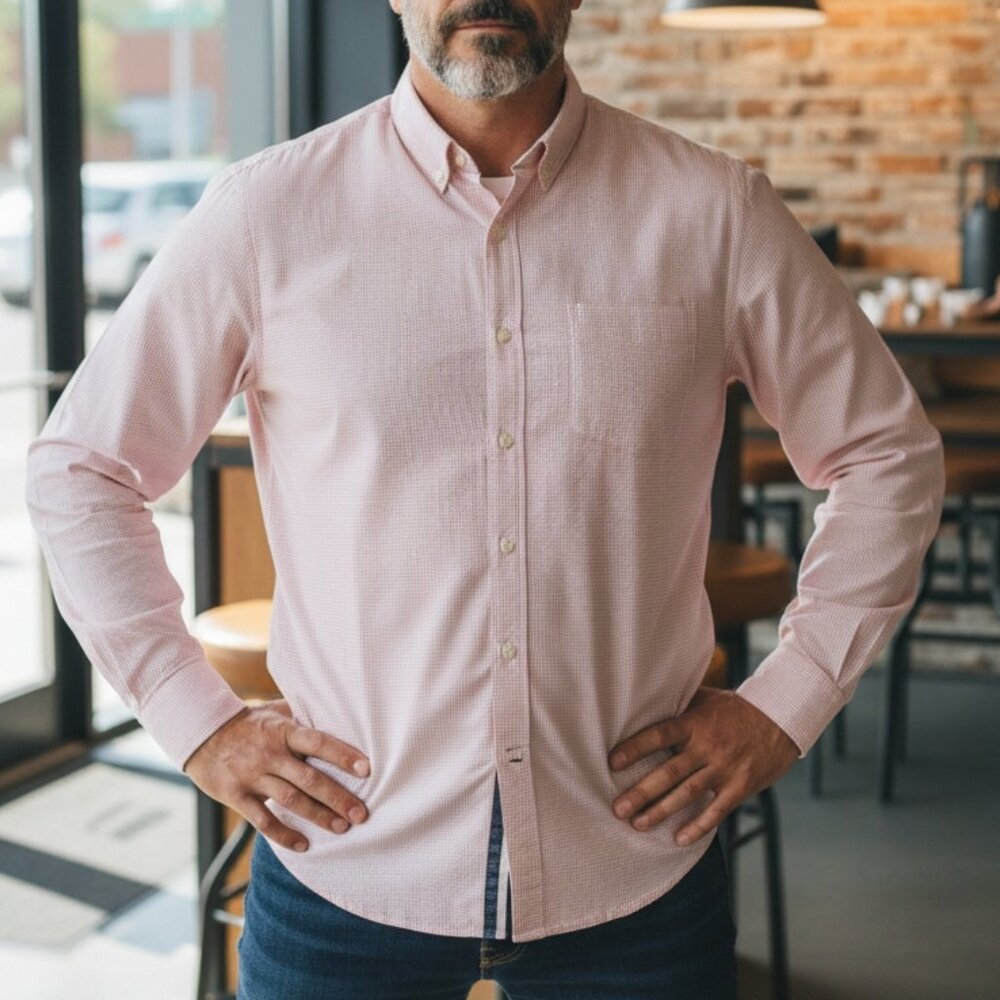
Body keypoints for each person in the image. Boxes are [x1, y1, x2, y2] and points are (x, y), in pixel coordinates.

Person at [24, 1, 945, 997]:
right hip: (344, 868)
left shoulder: (713, 210)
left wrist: (785, 705)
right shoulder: (266, 213)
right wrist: (194, 720)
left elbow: (886, 454)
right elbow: (83, 467)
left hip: (633, 874)